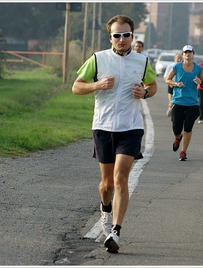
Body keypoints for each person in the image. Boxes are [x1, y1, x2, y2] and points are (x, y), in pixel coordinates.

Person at [72, 14, 157, 253]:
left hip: (131, 127)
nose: (122, 39)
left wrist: (146, 93)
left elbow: (153, 85)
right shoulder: (98, 59)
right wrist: (97, 85)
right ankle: (105, 207)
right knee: (106, 184)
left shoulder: (142, 61)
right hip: (103, 126)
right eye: (117, 35)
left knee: (120, 178)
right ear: (110, 37)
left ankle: (116, 232)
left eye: (126, 35)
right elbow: (76, 87)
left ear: (132, 36)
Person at [164, 45, 203, 161]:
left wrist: (200, 82)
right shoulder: (177, 67)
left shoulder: (198, 69)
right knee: (176, 128)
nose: (188, 54)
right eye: (185, 52)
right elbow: (167, 79)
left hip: (192, 103)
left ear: (193, 54)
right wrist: (176, 84)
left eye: (190, 52)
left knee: (188, 128)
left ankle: (183, 152)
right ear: (182, 55)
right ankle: (177, 138)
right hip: (178, 101)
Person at [163, 53, 182, 117]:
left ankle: (175, 110)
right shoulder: (170, 66)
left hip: (180, 85)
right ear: (174, 59)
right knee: (171, 99)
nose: (179, 60)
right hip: (172, 84)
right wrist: (169, 82)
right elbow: (165, 76)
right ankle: (170, 106)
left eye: (180, 58)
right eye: (178, 58)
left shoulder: (183, 67)